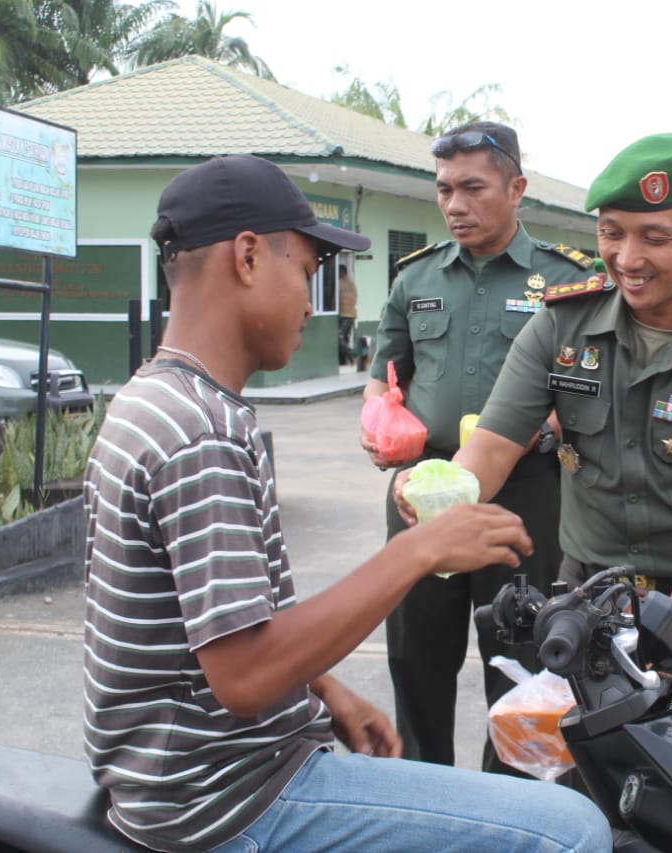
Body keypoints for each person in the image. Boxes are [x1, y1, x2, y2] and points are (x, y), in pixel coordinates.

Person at [82, 153, 611, 853]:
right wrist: (417, 549)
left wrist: (325, 689)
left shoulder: (156, 399)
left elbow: (223, 624)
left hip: (193, 774)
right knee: (573, 830)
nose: (311, 302)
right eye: (305, 272)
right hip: (232, 798)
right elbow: (243, 676)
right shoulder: (199, 434)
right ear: (246, 258)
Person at [398, 134, 672, 699]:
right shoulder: (561, 326)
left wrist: (663, 631)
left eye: (655, 237)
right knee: (583, 782)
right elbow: (491, 448)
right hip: (589, 603)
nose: (628, 259)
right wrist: (439, 492)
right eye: (611, 233)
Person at [360, 121, 595, 772]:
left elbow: (589, 386)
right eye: (443, 190)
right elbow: (386, 376)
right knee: (415, 656)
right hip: (422, 493)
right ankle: (427, 796)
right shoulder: (415, 279)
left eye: (472, 188)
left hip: (523, 497)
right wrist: (378, 421)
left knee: (522, 663)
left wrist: (550, 424)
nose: (455, 205)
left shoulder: (565, 281)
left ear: (516, 187)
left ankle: (511, 804)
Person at [337, 257, 358, 365]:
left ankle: (352, 355)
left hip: (345, 315)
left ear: (342, 272)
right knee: (345, 337)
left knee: (339, 337)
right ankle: (345, 361)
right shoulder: (351, 283)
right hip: (352, 315)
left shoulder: (339, 283)